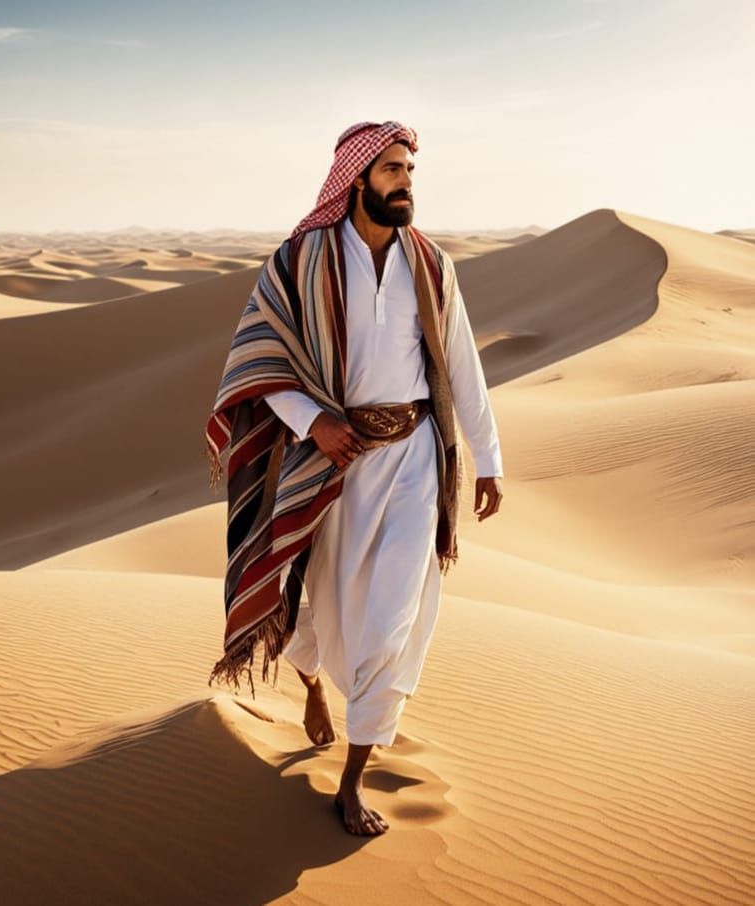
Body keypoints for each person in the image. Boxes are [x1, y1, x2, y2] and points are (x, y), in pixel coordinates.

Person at [204, 120, 503, 837]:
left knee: (393, 617)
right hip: (329, 463)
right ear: (358, 176)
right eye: (392, 169)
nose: (405, 182)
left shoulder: (432, 266)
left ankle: (351, 779)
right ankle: (310, 686)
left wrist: (487, 460)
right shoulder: (301, 259)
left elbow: (462, 363)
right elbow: (259, 357)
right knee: (312, 604)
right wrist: (312, 422)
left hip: (413, 461)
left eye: (409, 170)